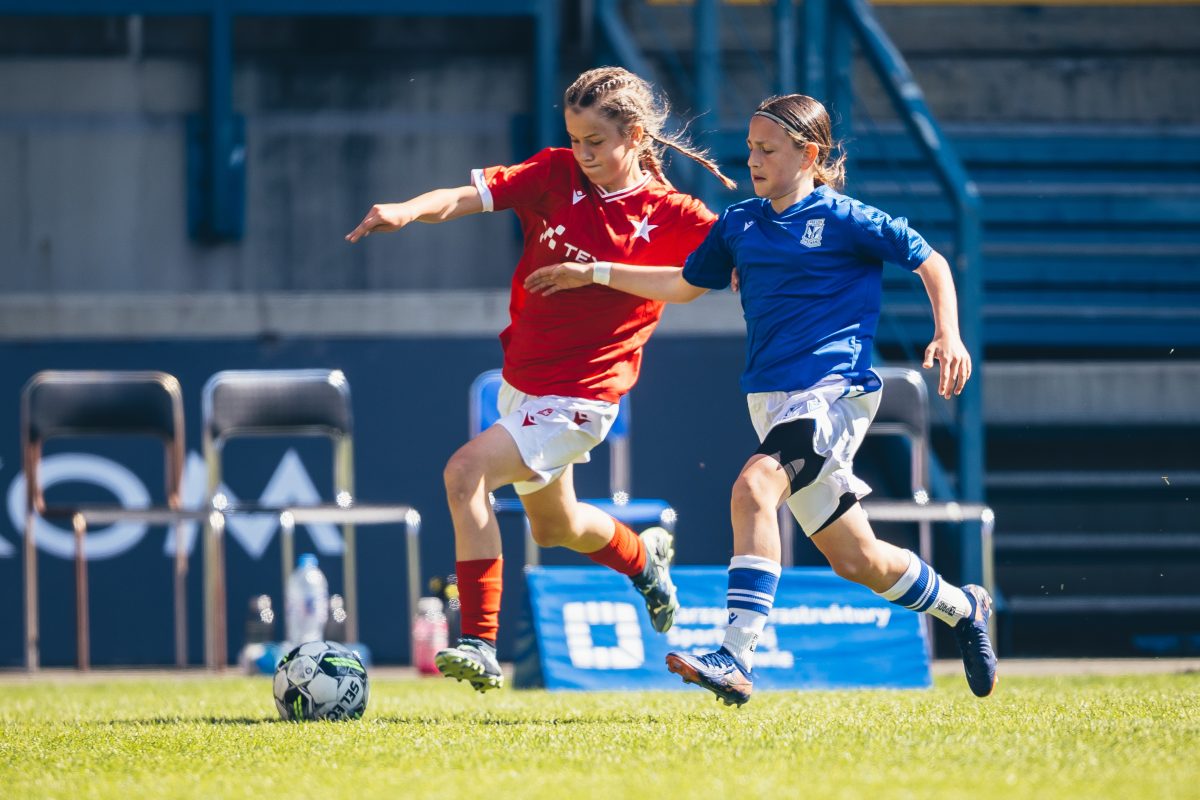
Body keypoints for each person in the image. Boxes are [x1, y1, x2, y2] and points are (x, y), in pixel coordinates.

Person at [523, 93, 997, 706]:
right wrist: (594, 272)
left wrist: (948, 333)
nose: (752, 160)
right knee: (859, 560)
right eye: (750, 148)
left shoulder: (846, 217)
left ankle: (735, 656)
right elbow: (684, 284)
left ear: (810, 154)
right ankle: (963, 607)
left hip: (834, 394)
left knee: (753, 488)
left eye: (767, 150)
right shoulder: (740, 223)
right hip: (772, 401)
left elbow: (929, 261)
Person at [345, 67, 736, 692]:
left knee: (464, 473)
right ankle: (644, 560)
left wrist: (598, 272)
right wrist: (409, 210)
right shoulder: (556, 173)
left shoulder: (674, 214)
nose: (583, 154)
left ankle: (479, 641)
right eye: (575, 139)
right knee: (556, 526)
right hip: (525, 385)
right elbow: (466, 197)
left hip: (584, 395)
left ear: (635, 136)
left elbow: (713, 274)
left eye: (595, 142)